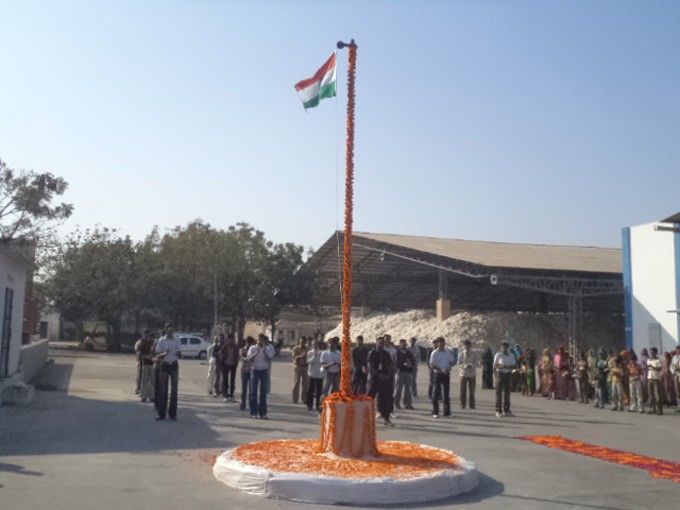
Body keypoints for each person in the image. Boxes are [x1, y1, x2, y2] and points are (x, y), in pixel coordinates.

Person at [154, 323, 181, 421]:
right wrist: (165, 353)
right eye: (169, 329)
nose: (171, 331)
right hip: (164, 365)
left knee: (174, 391)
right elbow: (157, 354)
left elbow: (180, 353)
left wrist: (178, 352)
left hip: (174, 365)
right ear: (166, 330)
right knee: (163, 390)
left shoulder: (177, 340)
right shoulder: (161, 340)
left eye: (172, 329)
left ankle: (172, 414)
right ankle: (161, 414)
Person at [368, 336, 395, 426]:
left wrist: (388, 375)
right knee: (370, 397)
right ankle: (366, 417)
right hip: (375, 378)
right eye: (379, 343)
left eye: (382, 343)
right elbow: (370, 367)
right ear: (376, 343)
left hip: (384, 379)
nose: (381, 344)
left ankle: (386, 419)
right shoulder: (372, 353)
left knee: (384, 398)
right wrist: (378, 375)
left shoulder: (386, 353)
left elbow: (390, 364)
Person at [247, 334, 275, 419]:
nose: (260, 341)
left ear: (264, 341)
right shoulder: (253, 348)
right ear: (257, 340)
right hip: (255, 370)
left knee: (263, 392)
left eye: (262, 340)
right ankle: (253, 412)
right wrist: (256, 353)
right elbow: (249, 359)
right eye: (259, 340)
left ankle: (263, 413)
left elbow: (268, 360)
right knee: (253, 392)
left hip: (264, 371)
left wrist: (264, 351)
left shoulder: (268, 348)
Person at [429, 337, 455, 418]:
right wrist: (439, 370)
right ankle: (435, 412)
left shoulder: (447, 352)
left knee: (446, 394)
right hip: (438, 374)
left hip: (446, 374)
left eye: (444, 343)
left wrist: (449, 367)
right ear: (438, 343)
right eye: (441, 343)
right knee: (436, 394)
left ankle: (447, 412)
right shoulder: (434, 353)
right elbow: (432, 364)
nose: (443, 344)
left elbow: (453, 361)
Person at [494, 340, 516, 417]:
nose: (504, 348)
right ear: (501, 347)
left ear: (507, 347)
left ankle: (507, 410)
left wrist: (505, 366)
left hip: (508, 374)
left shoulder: (511, 355)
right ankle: (498, 410)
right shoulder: (498, 355)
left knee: (507, 393)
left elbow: (514, 366)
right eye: (503, 346)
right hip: (500, 374)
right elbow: (496, 365)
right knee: (499, 393)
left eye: (506, 346)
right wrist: (504, 366)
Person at [394, 339, 415, 410]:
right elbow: (396, 363)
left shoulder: (408, 352)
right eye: (402, 343)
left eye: (405, 343)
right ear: (399, 344)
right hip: (400, 372)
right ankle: (396, 404)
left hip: (408, 372)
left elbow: (413, 361)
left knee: (408, 389)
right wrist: (403, 364)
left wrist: (410, 365)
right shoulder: (397, 352)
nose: (404, 344)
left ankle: (407, 404)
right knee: (398, 389)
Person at [457, 339, 478, 409]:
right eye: (465, 345)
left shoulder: (474, 354)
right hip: (463, 374)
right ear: (463, 346)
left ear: (470, 346)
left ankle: (472, 405)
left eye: (468, 345)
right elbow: (459, 364)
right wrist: (465, 366)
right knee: (462, 390)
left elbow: (476, 363)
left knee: (472, 390)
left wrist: (472, 365)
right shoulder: (461, 354)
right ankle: (463, 404)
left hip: (472, 374)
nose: (466, 347)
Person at [219, 333, 239, 403]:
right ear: (227, 340)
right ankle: (225, 395)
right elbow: (221, 355)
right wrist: (222, 363)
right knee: (225, 380)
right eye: (230, 339)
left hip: (233, 365)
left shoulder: (236, 347)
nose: (231, 341)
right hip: (225, 365)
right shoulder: (225, 347)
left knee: (232, 381)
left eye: (232, 339)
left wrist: (236, 363)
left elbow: (237, 356)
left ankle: (232, 395)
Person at [307, 340, 324, 413]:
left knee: (319, 391)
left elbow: (323, 362)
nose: (315, 346)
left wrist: (319, 355)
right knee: (310, 390)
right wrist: (315, 355)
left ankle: (318, 405)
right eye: (313, 344)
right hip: (312, 373)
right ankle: (309, 404)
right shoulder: (310, 353)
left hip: (320, 374)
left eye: (316, 345)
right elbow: (310, 362)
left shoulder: (322, 353)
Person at [291, 336, 310, 404]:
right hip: (298, 366)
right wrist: (301, 356)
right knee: (296, 383)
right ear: (299, 341)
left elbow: (310, 358)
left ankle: (304, 398)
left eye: (304, 341)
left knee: (305, 384)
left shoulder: (308, 349)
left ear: (305, 342)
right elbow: (295, 358)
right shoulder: (295, 348)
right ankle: (295, 398)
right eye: (301, 341)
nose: (302, 342)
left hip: (305, 366)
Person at [138, 329, 155, 403]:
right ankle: (143, 396)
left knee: (152, 381)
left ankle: (152, 396)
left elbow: (158, 354)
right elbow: (140, 354)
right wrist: (146, 357)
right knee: (144, 381)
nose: (151, 338)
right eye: (150, 337)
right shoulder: (143, 344)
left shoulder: (155, 344)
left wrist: (153, 357)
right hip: (145, 363)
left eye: (152, 337)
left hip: (153, 364)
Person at [239, 336, 255, 410]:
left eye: (250, 343)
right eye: (248, 343)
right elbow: (243, 359)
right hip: (244, 371)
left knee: (251, 390)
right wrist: (250, 358)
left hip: (252, 371)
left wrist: (249, 358)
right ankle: (243, 405)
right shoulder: (242, 349)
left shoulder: (254, 350)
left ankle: (251, 405)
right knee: (244, 389)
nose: (249, 345)